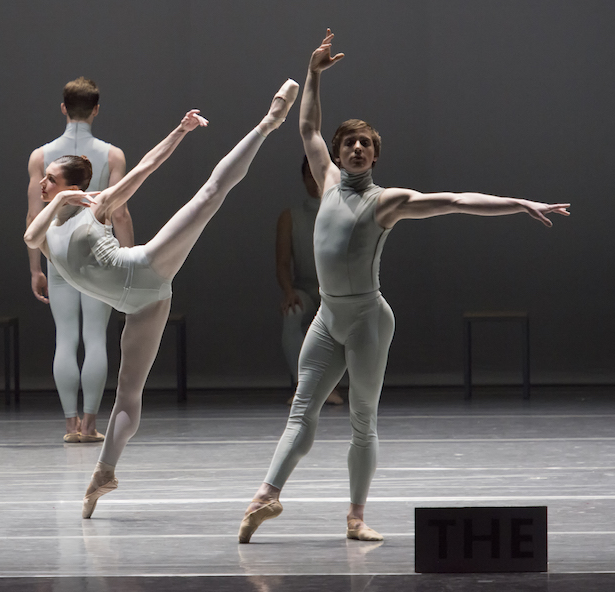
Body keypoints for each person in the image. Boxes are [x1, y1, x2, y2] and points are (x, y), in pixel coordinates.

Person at [239, 30, 569, 544]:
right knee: (302, 411)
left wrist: (520, 203)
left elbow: (457, 201)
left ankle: (355, 516)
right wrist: (313, 72)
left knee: (362, 419)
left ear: (374, 157)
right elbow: (307, 125)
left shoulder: (387, 202)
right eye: (347, 141)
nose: (353, 147)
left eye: (363, 144)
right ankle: (266, 494)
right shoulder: (325, 179)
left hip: (369, 320)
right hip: (328, 319)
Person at [25, 78, 300, 518]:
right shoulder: (47, 223)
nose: (42, 184)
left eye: (50, 180)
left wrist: (180, 130)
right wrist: (61, 203)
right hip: (144, 305)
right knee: (128, 398)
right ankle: (104, 472)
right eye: (44, 179)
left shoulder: (99, 204)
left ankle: (269, 122)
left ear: (70, 183)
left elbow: (145, 168)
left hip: (147, 267)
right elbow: (29, 234)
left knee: (210, 195)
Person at [26, 77, 132, 443]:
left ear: (63, 108)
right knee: (96, 338)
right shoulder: (112, 155)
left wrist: (34, 267)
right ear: (96, 109)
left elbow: (33, 217)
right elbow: (120, 213)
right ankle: (89, 424)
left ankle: (71, 425)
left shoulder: (41, 156)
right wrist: (128, 262)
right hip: (98, 256)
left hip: (58, 256)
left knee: (66, 338)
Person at [276, 156, 343, 405]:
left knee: (339, 321)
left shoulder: (343, 213)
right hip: (305, 289)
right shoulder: (290, 217)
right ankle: (302, 385)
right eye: (309, 176)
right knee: (292, 313)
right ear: (303, 179)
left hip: (336, 292)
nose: (314, 181)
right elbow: (282, 263)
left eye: (319, 176)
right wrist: (288, 291)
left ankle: (329, 387)